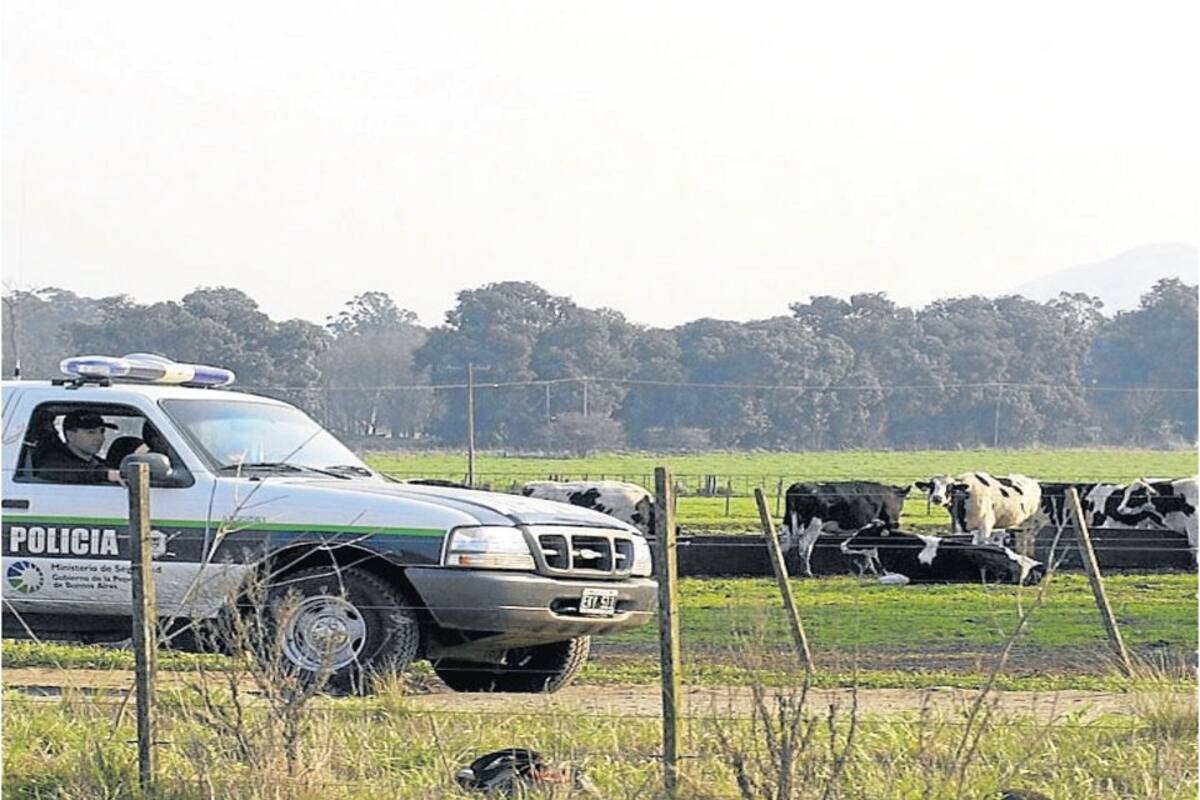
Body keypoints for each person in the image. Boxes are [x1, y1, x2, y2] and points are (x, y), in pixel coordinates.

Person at [38, 411, 121, 484]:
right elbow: (61, 472)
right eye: (91, 432)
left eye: (102, 431)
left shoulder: (98, 463)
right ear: (70, 435)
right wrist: (105, 475)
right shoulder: (55, 462)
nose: (100, 438)